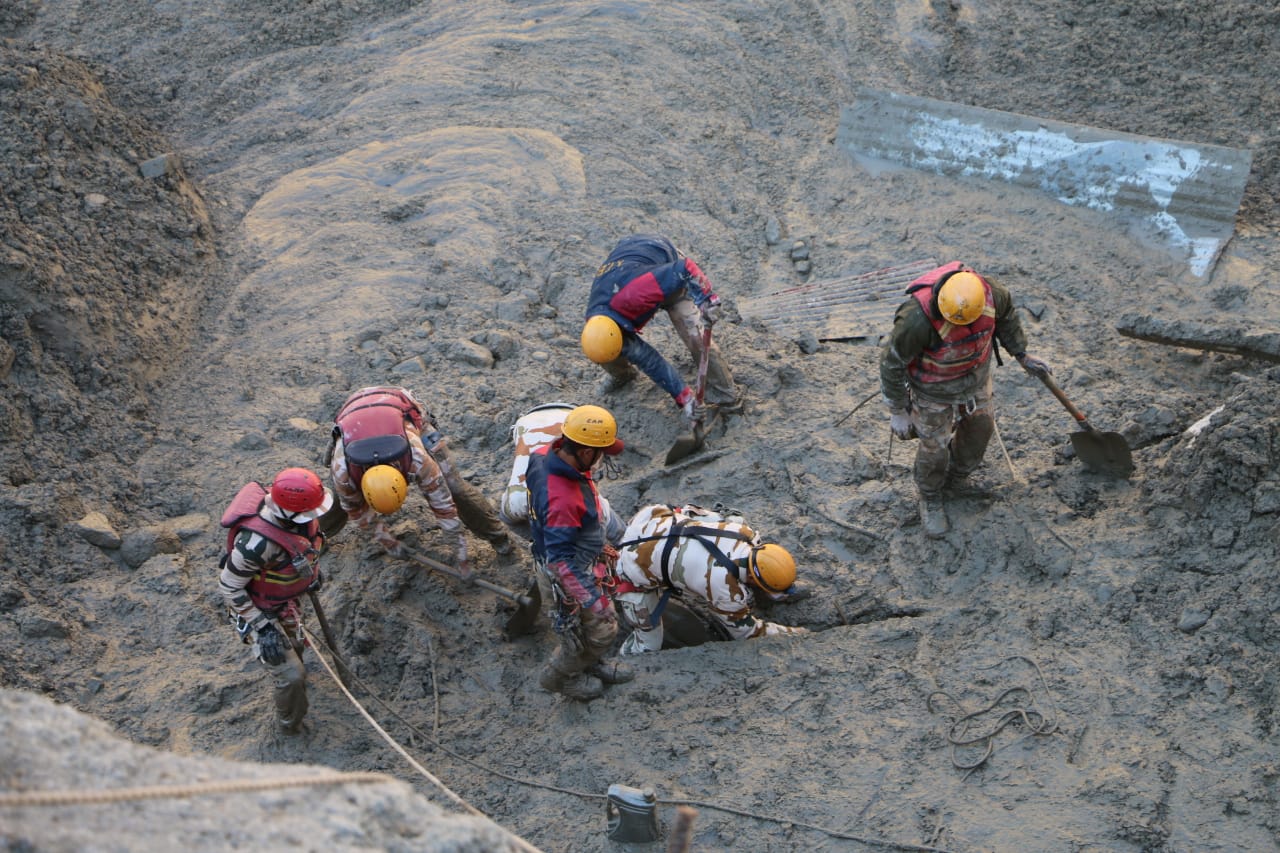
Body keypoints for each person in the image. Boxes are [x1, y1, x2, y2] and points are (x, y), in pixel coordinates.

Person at [879, 262, 1050, 538]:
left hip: (975, 378)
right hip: (933, 390)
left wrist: (1022, 354)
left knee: (981, 428)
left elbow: (1007, 320)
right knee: (934, 446)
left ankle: (957, 478)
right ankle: (931, 495)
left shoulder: (994, 295)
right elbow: (891, 363)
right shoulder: (916, 319)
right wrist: (898, 410)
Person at [327, 386, 518, 574]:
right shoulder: (343, 473)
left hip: (400, 408)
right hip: (353, 416)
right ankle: (315, 538)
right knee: (340, 499)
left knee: (454, 487)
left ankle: (498, 537)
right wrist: (388, 542)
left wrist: (462, 559)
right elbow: (357, 512)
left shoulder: (418, 460)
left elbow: (444, 508)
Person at [525, 404, 634, 701]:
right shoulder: (561, 499)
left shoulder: (542, 458)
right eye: (601, 453)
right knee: (602, 627)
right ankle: (562, 676)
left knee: (590, 629)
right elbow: (560, 561)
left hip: (576, 555)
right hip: (567, 571)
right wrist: (592, 600)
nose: (602, 460)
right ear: (586, 453)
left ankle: (591, 663)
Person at [581, 234, 743, 427]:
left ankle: (728, 397)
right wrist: (685, 399)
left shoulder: (638, 292)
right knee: (604, 352)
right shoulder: (596, 323)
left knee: (696, 338)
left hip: (667, 271)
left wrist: (707, 299)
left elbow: (686, 268)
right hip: (631, 269)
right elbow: (649, 360)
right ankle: (623, 375)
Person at [217, 467, 332, 733]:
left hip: (288, 602)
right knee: (291, 676)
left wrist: (311, 573)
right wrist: (264, 628)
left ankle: (296, 676)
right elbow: (229, 586)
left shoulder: (301, 520)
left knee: (296, 645)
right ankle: (288, 726)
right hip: (258, 609)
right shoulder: (256, 544)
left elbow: (305, 547)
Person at [612, 504, 809, 655]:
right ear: (751, 577)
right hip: (629, 567)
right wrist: (796, 634)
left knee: (730, 518)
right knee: (649, 644)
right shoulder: (725, 588)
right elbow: (747, 633)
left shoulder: (745, 533)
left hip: (652, 520)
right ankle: (622, 660)